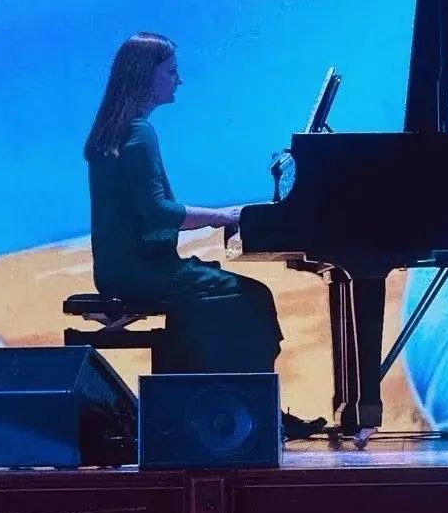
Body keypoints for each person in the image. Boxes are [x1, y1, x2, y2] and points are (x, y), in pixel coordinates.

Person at [84, 32, 317, 439]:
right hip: (144, 272)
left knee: (236, 298)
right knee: (251, 296)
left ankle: (239, 408)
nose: (179, 80)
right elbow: (158, 213)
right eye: (171, 71)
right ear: (145, 75)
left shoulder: (114, 132)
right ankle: (254, 415)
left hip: (121, 269)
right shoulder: (139, 133)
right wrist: (221, 216)